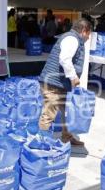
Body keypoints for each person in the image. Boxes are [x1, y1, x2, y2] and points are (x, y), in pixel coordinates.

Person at [38, 18, 92, 146]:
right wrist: (73, 77)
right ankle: (41, 144)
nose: (88, 38)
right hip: (53, 83)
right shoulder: (72, 39)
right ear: (84, 31)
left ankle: (67, 137)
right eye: (89, 34)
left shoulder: (73, 38)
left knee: (66, 112)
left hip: (60, 83)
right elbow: (65, 59)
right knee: (49, 114)